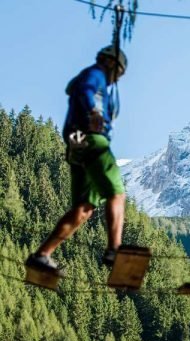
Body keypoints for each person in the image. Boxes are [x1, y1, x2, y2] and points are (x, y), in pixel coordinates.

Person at [26, 45, 128, 272]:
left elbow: (79, 90)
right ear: (111, 63)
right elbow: (84, 89)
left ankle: (42, 255)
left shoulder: (95, 81)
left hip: (76, 141)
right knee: (116, 193)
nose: (116, 79)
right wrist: (93, 112)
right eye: (119, 73)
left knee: (83, 208)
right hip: (91, 139)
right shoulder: (96, 74)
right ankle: (115, 249)